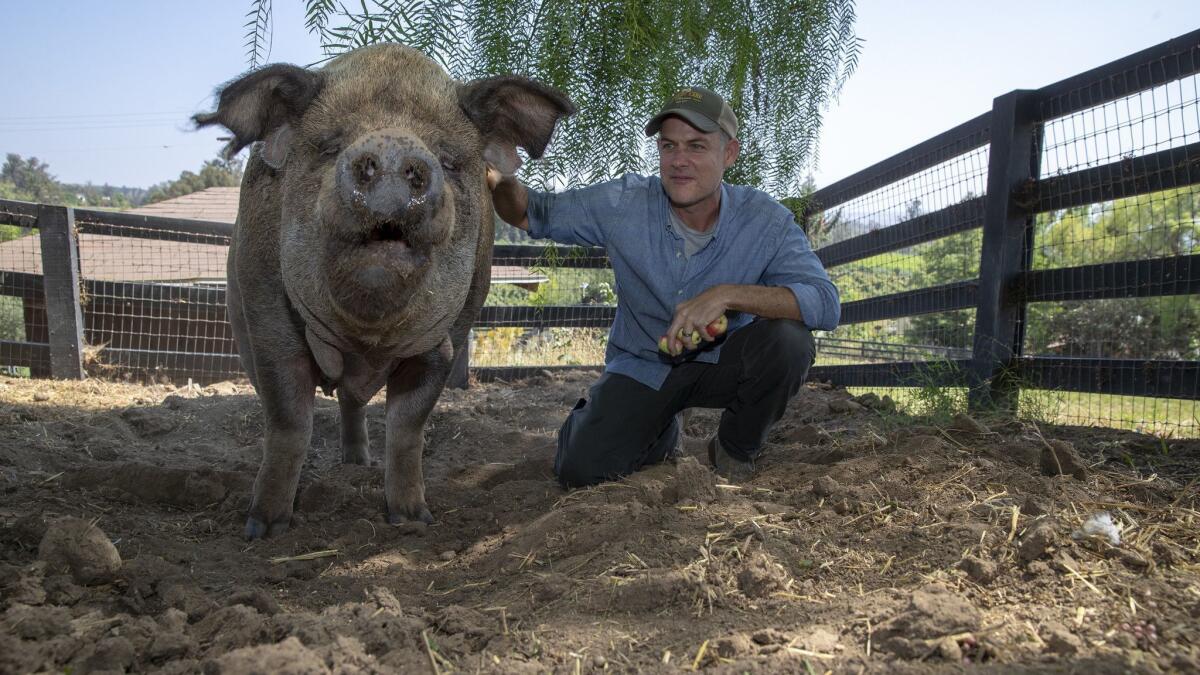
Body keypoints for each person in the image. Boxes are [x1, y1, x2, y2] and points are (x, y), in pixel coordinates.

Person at [487, 86, 840, 487]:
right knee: (579, 470)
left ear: (729, 154)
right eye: (668, 146)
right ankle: (659, 430)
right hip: (642, 366)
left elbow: (825, 303)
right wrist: (501, 176)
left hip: (725, 364)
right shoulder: (624, 202)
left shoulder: (766, 220)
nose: (679, 161)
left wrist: (727, 294)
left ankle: (735, 448)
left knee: (789, 342)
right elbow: (532, 213)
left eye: (696, 146)